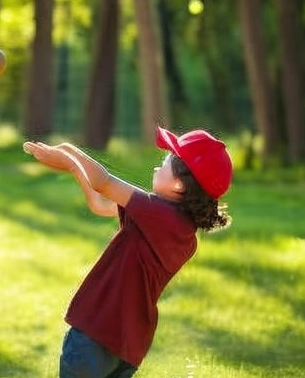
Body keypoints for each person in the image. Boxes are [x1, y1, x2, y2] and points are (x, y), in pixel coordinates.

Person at [23, 126, 233, 378]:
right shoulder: (175, 225)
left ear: (179, 184)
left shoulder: (158, 214)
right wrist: (69, 159)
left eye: (165, 161)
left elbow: (103, 182)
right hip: (127, 345)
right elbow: (100, 204)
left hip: (97, 331)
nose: (158, 166)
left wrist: (70, 155)